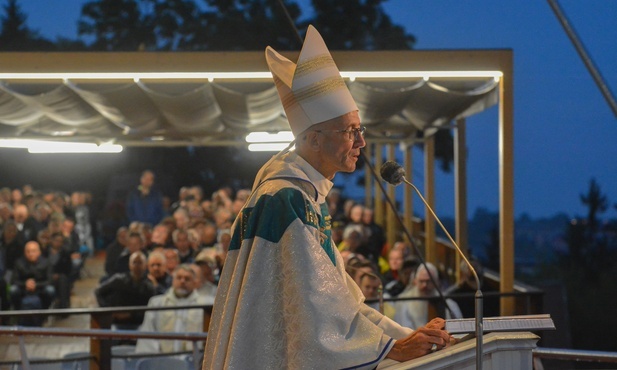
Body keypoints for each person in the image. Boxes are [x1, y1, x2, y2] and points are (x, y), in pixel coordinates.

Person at [203, 26, 452, 370]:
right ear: (314, 139)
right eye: (350, 131)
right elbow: (315, 313)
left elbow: (342, 304)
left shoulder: (304, 195)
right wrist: (393, 348)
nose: (361, 143)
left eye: (359, 130)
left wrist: (404, 338)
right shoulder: (286, 198)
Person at [136, 264, 210, 354]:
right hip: (164, 360)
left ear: (195, 283)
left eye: (187, 279)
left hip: (193, 360)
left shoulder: (204, 305)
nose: (182, 281)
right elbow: (148, 333)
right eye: (179, 278)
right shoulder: (157, 303)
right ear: (173, 281)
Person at [95, 251, 157, 330]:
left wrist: (131, 315)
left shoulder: (148, 286)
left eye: (140, 263)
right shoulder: (119, 280)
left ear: (145, 265)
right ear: (129, 265)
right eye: (134, 262)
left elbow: (151, 307)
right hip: (117, 323)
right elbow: (99, 292)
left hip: (139, 323)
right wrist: (109, 311)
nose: (137, 266)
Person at [394, 262, 463, 330]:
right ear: (415, 281)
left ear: (436, 282)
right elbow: (404, 331)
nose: (425, 285)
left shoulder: (449, 304)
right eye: (421, 281)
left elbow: (459, 328)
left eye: (429, 281)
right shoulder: (404, 302)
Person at [9, 241, 55, 325]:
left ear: (39, 252)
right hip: (23, 289)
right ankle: (18, 314)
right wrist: (25, 284)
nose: (30, 254)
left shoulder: (46, 262)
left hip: (40, 289)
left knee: (50, 290)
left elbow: (50, 280)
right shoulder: (19, 263)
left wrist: (36, 285)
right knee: (13, 290)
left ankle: (44, 314)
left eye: (33, 251)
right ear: (24, 252)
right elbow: (13, 280)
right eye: (28, 251)